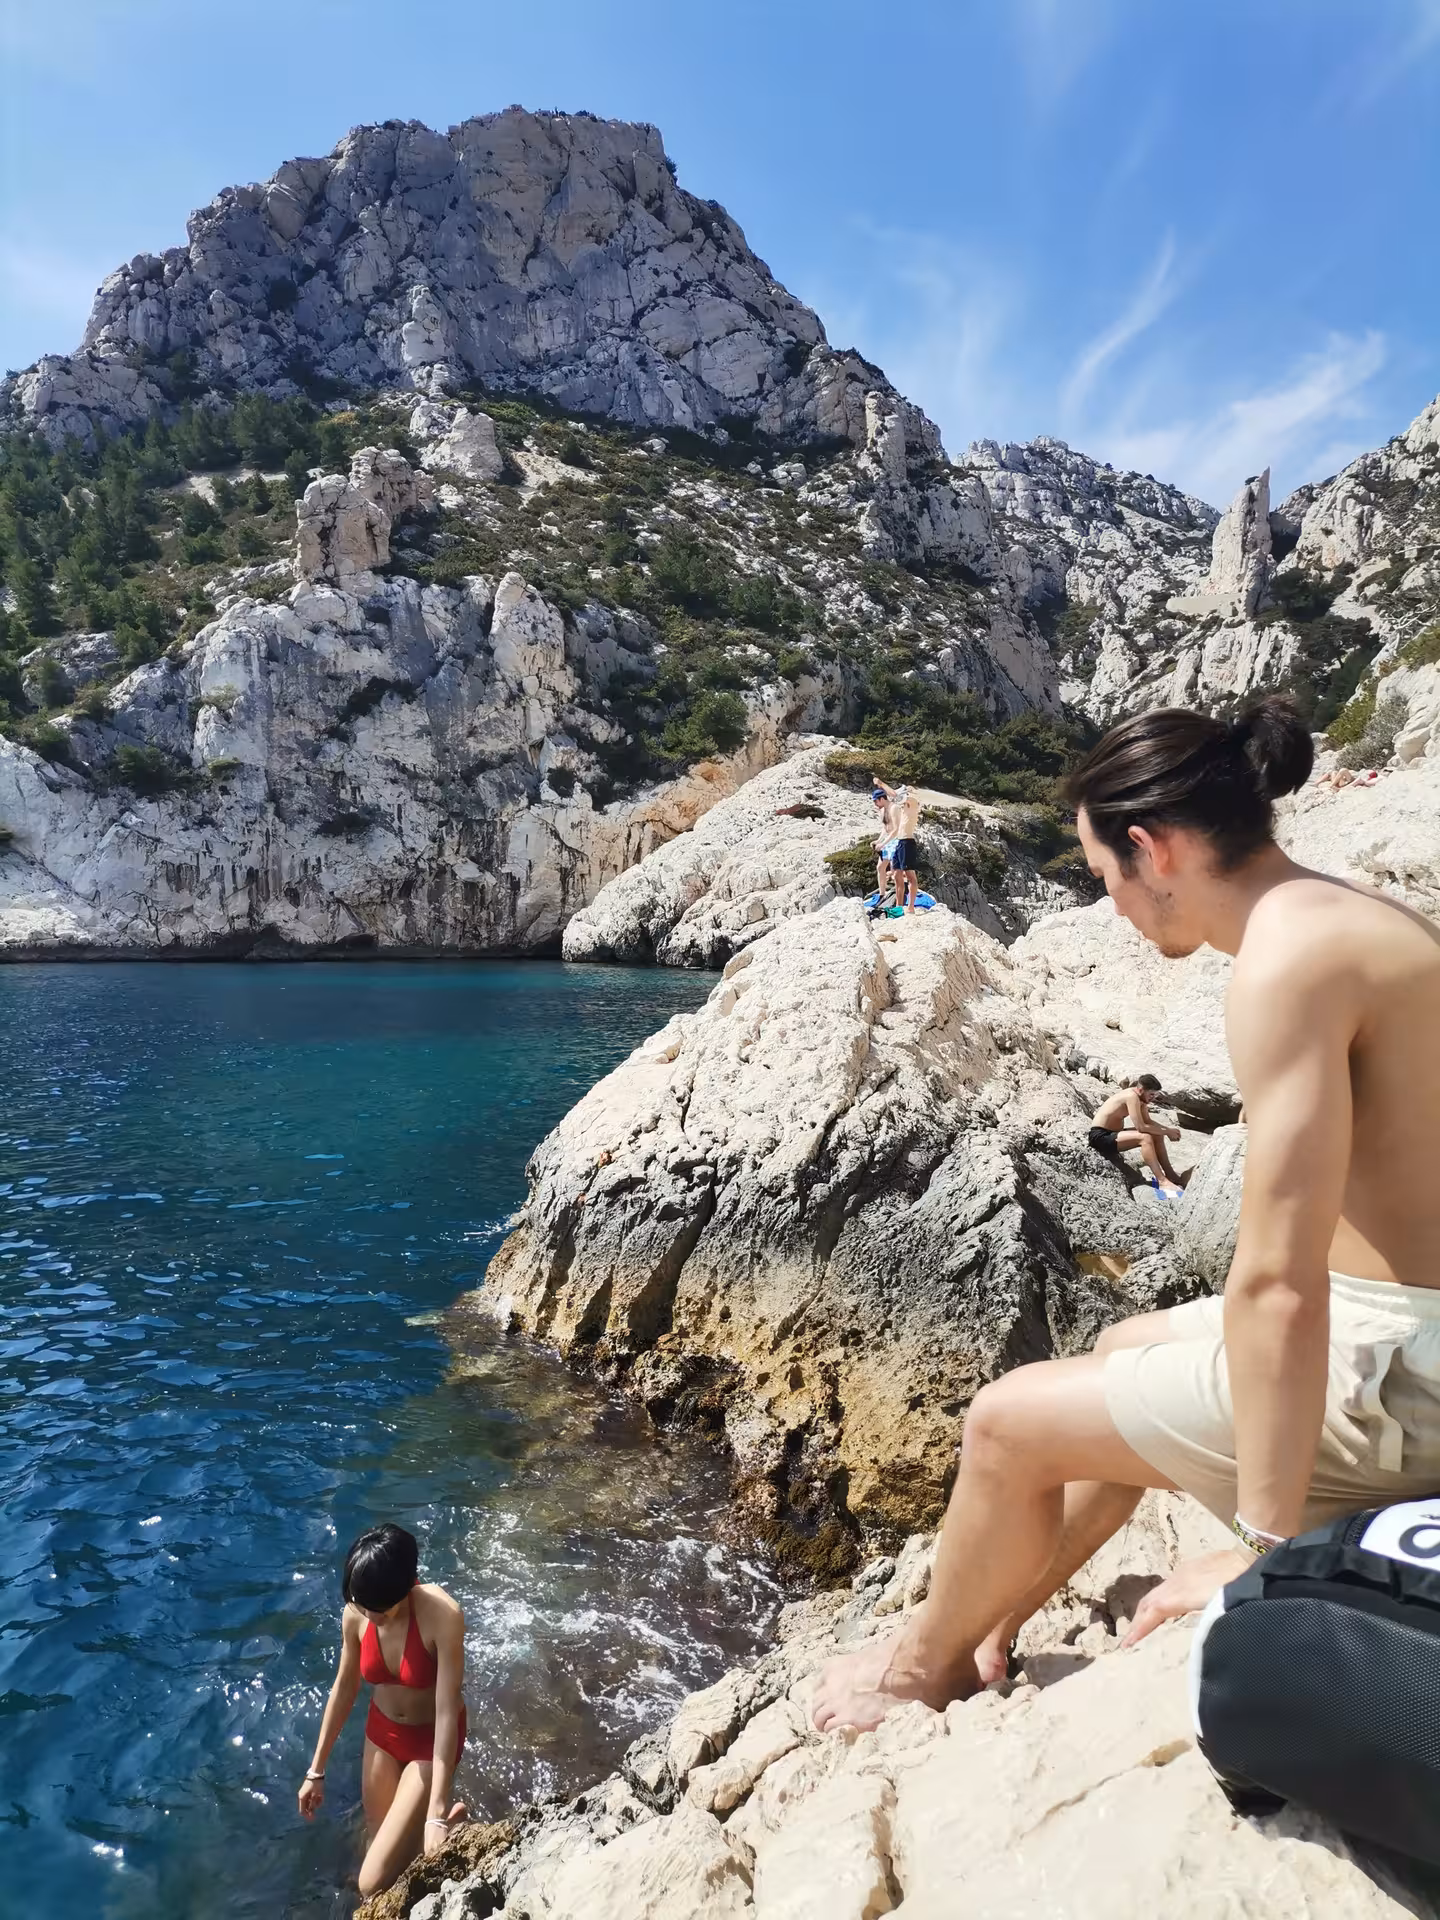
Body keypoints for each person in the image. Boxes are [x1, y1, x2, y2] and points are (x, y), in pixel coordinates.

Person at [811, 696, 1440, 1734]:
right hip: (1403, 1323)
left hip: (1402, 1380)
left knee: (1004, 1424)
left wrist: (1266, 1557)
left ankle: (917, 1672)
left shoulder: (1286, 967)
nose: (1113, 908)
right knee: (1118, 1344)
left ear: (1153, 849)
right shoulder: (1346, 914)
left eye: (1105, 876)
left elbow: (1278, 1284)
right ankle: (995, 1612)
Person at [299, 1524, 469, 1898]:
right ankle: (441, 1828)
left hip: (430, 1741)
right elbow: (344, 1688)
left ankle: (451, 1822)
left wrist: (436, 1813)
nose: (366, 1614)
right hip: (382, 1736)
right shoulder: (358, 1611)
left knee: (371, 1882)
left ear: (404, 1588)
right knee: (381, 1851)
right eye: (360, 1604)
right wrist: (316, 1770)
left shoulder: (442, 1615)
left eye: (378, 1610)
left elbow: (446, 1711)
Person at [1088, 1073, 1187, 1196]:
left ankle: (1170, 1175)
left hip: (1114, 1134)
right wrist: (1167, 1132)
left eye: (1155, 1095)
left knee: (1156, 1134)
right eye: (1151, 1094)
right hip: (1100, 1136)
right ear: (1141, 1090)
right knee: (1145, 1138)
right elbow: (1141, 1127)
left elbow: (1148, 1122)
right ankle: (1162, 1181)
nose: (1153, 1098)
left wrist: (1168, 1130)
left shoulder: (1141, 1099)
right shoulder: (1131, 1096)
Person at [874, 778, 921, 913]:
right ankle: (898, 907)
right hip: (900, 842)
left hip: (907, 842)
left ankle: (910, 907)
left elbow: (895, 795)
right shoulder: (903, 807)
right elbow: (895, 797)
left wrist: (881, 784)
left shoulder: (913, 802)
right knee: (897, 876)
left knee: (910, 876)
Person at [870, 787, 897, 902]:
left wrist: (883, 843)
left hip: (896, 841)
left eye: (876, 801)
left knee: (895, 871)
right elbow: (885, 828)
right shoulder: (882, 810)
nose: (875, 804)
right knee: (880, 867)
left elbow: (895, 829)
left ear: (882, 799)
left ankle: (898, 895)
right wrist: (878, 841)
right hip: (888, 841)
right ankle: (882, 894)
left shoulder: (894, 808)